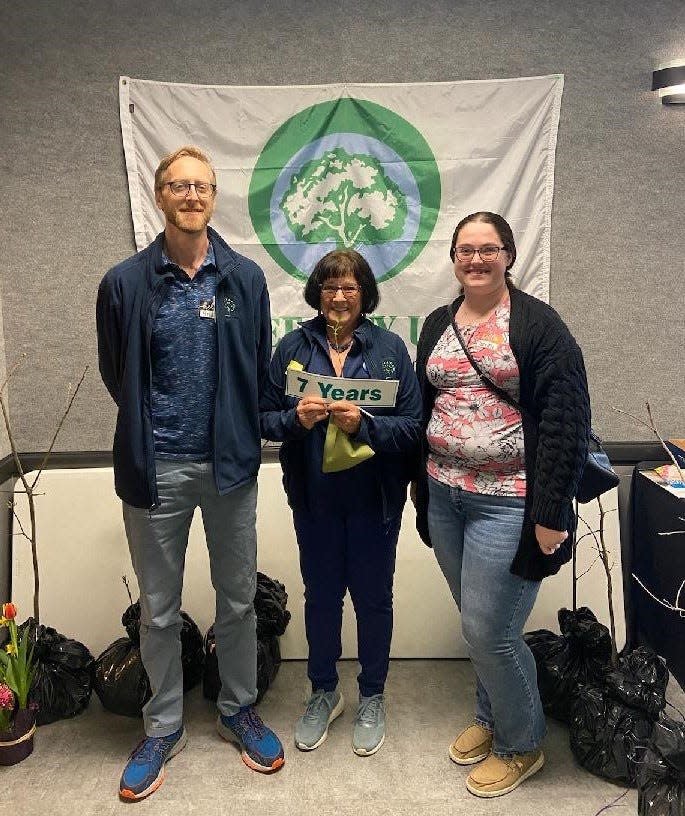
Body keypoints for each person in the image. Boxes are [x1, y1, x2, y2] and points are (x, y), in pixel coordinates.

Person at [96, 145, 284, 801]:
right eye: (179, 185)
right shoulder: (124, 283)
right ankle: (163, 725)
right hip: (156, 471)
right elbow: (116, 374)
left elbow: (257, 371)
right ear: (160, 196)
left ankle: (237, 709)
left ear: (213, 196)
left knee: (236, 601)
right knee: (157, 610)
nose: (192, 195)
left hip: (229, 468)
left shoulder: (244, 280)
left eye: (202, 185)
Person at [414, 212, 590, 797]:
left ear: (509, 256)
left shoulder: (539, 325)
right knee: (477, 624)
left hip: (509, 503)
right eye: (466, 250)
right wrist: (421, 489)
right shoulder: (439, 323)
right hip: (445, 494)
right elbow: (424, 406)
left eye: (488, 250)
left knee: (490, 631)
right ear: (454, 259)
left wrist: (548, 514)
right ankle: (491, 719)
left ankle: (522, 745)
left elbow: (565, 420)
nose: (476, 260)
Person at [260, 249, 421, 756]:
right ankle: (323, 692)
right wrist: (294, 422)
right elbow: (262, 418)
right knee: (322, 598)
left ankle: (372, 695)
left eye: (350, 287)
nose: (339, 296)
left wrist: (366, 424)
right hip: (314, 501)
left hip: (375, 503)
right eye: (330, 287)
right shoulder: (292, 346)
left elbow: (414, 427)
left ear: (364, 294)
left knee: (374, 600)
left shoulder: (391, 348)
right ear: (317, 293)